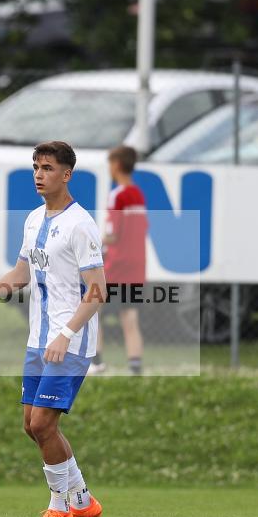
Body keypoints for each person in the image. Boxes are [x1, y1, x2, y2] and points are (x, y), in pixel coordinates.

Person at [0, 141, 106, 517]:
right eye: (36, 167)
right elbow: (21, 274)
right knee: (32, 425)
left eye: (48, 168)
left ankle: (61, 506)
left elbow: (97, 291)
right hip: (39, 340)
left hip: (69, 342)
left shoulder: (81, 224)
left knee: (43, 424)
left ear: (66, 174)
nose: (39, 175)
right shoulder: (34, 219)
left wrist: (66, 333)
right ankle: (83, 499)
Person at [90, 145, 148, 375]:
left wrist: (95, 243)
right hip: (136, 265)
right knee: (130, 317)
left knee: (94, 310)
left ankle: (96, 362)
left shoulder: (118, 196)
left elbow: (112, 235)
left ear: (116, 165)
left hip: (117, 265)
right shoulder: (138, 194)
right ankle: (135, 365)